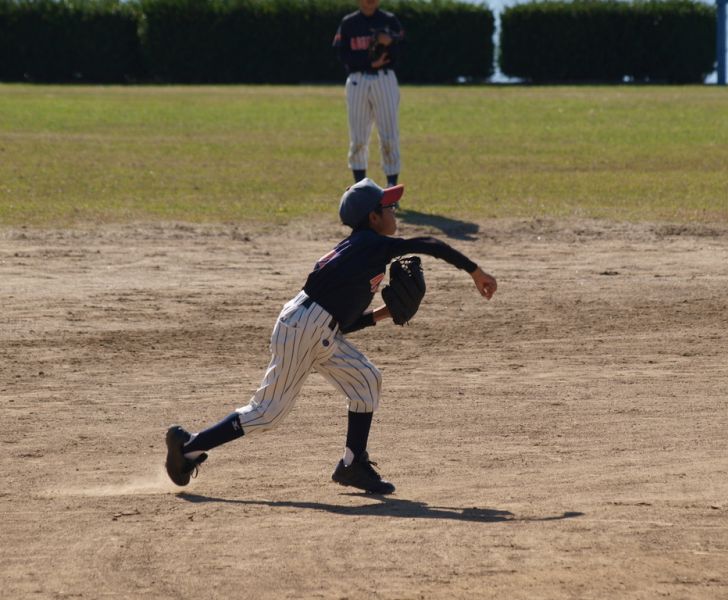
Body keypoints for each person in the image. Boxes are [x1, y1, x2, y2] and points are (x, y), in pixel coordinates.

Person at [165, 179, 498, 494]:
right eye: (389, 207)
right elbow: (429, 244)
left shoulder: (358, 249)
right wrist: (475, 271)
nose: (394, 212)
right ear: (373, 217)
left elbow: (338, 323)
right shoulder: (371, 245)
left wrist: (383, 314)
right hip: (306, 329)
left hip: (312, 327)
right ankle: (188, 447)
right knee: (267, 413)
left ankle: (353, 465)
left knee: (366, 381)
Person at [333, 0, 404, 187]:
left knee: (389, 134)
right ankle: (360, 186)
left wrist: (390, 41)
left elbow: (403, 47)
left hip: (384, 78)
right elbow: (342, 53)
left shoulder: (389, 20)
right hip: (358, 79)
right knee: (358, 136)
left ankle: (391, 186)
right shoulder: (349, 23)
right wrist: (368, 62)